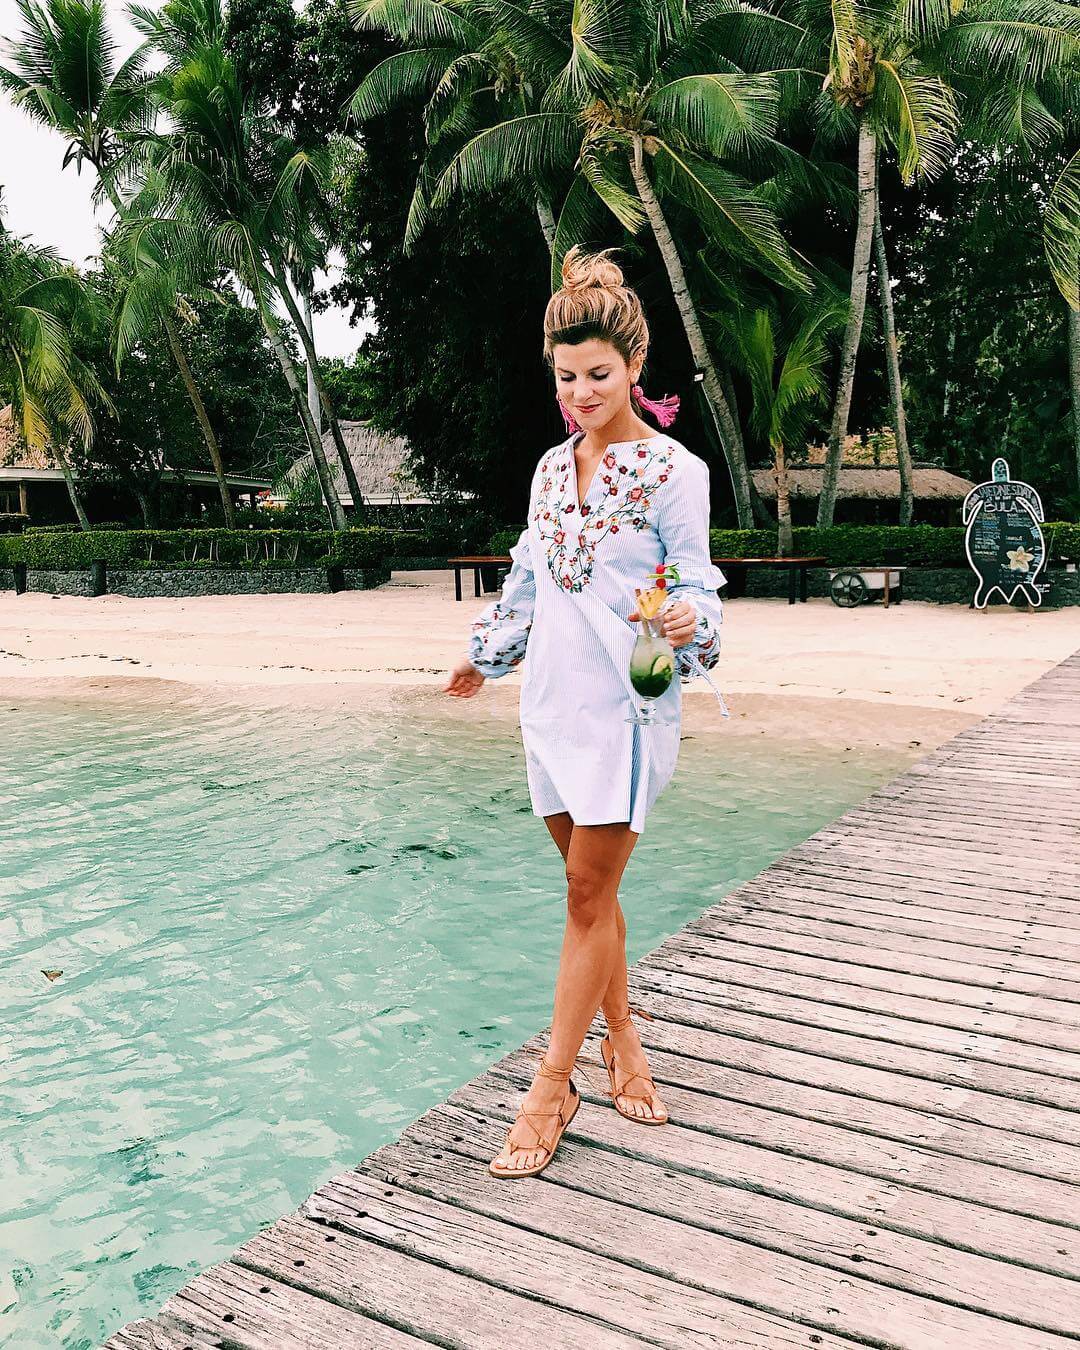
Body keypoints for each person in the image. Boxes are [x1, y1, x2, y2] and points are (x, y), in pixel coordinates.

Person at [443, 247, 725, 1179]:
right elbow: (527, 576)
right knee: (590, 893)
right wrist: (484, 658)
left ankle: (550, 1087)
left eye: (598, 374)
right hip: (551, 701)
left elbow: (694, 579)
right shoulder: (547, 468)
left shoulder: (676, 471)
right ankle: (627, 1043)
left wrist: (691, 617)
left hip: (629, 704)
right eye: (566, 377)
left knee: (583, 894)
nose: (580, 392)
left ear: (636, 367)